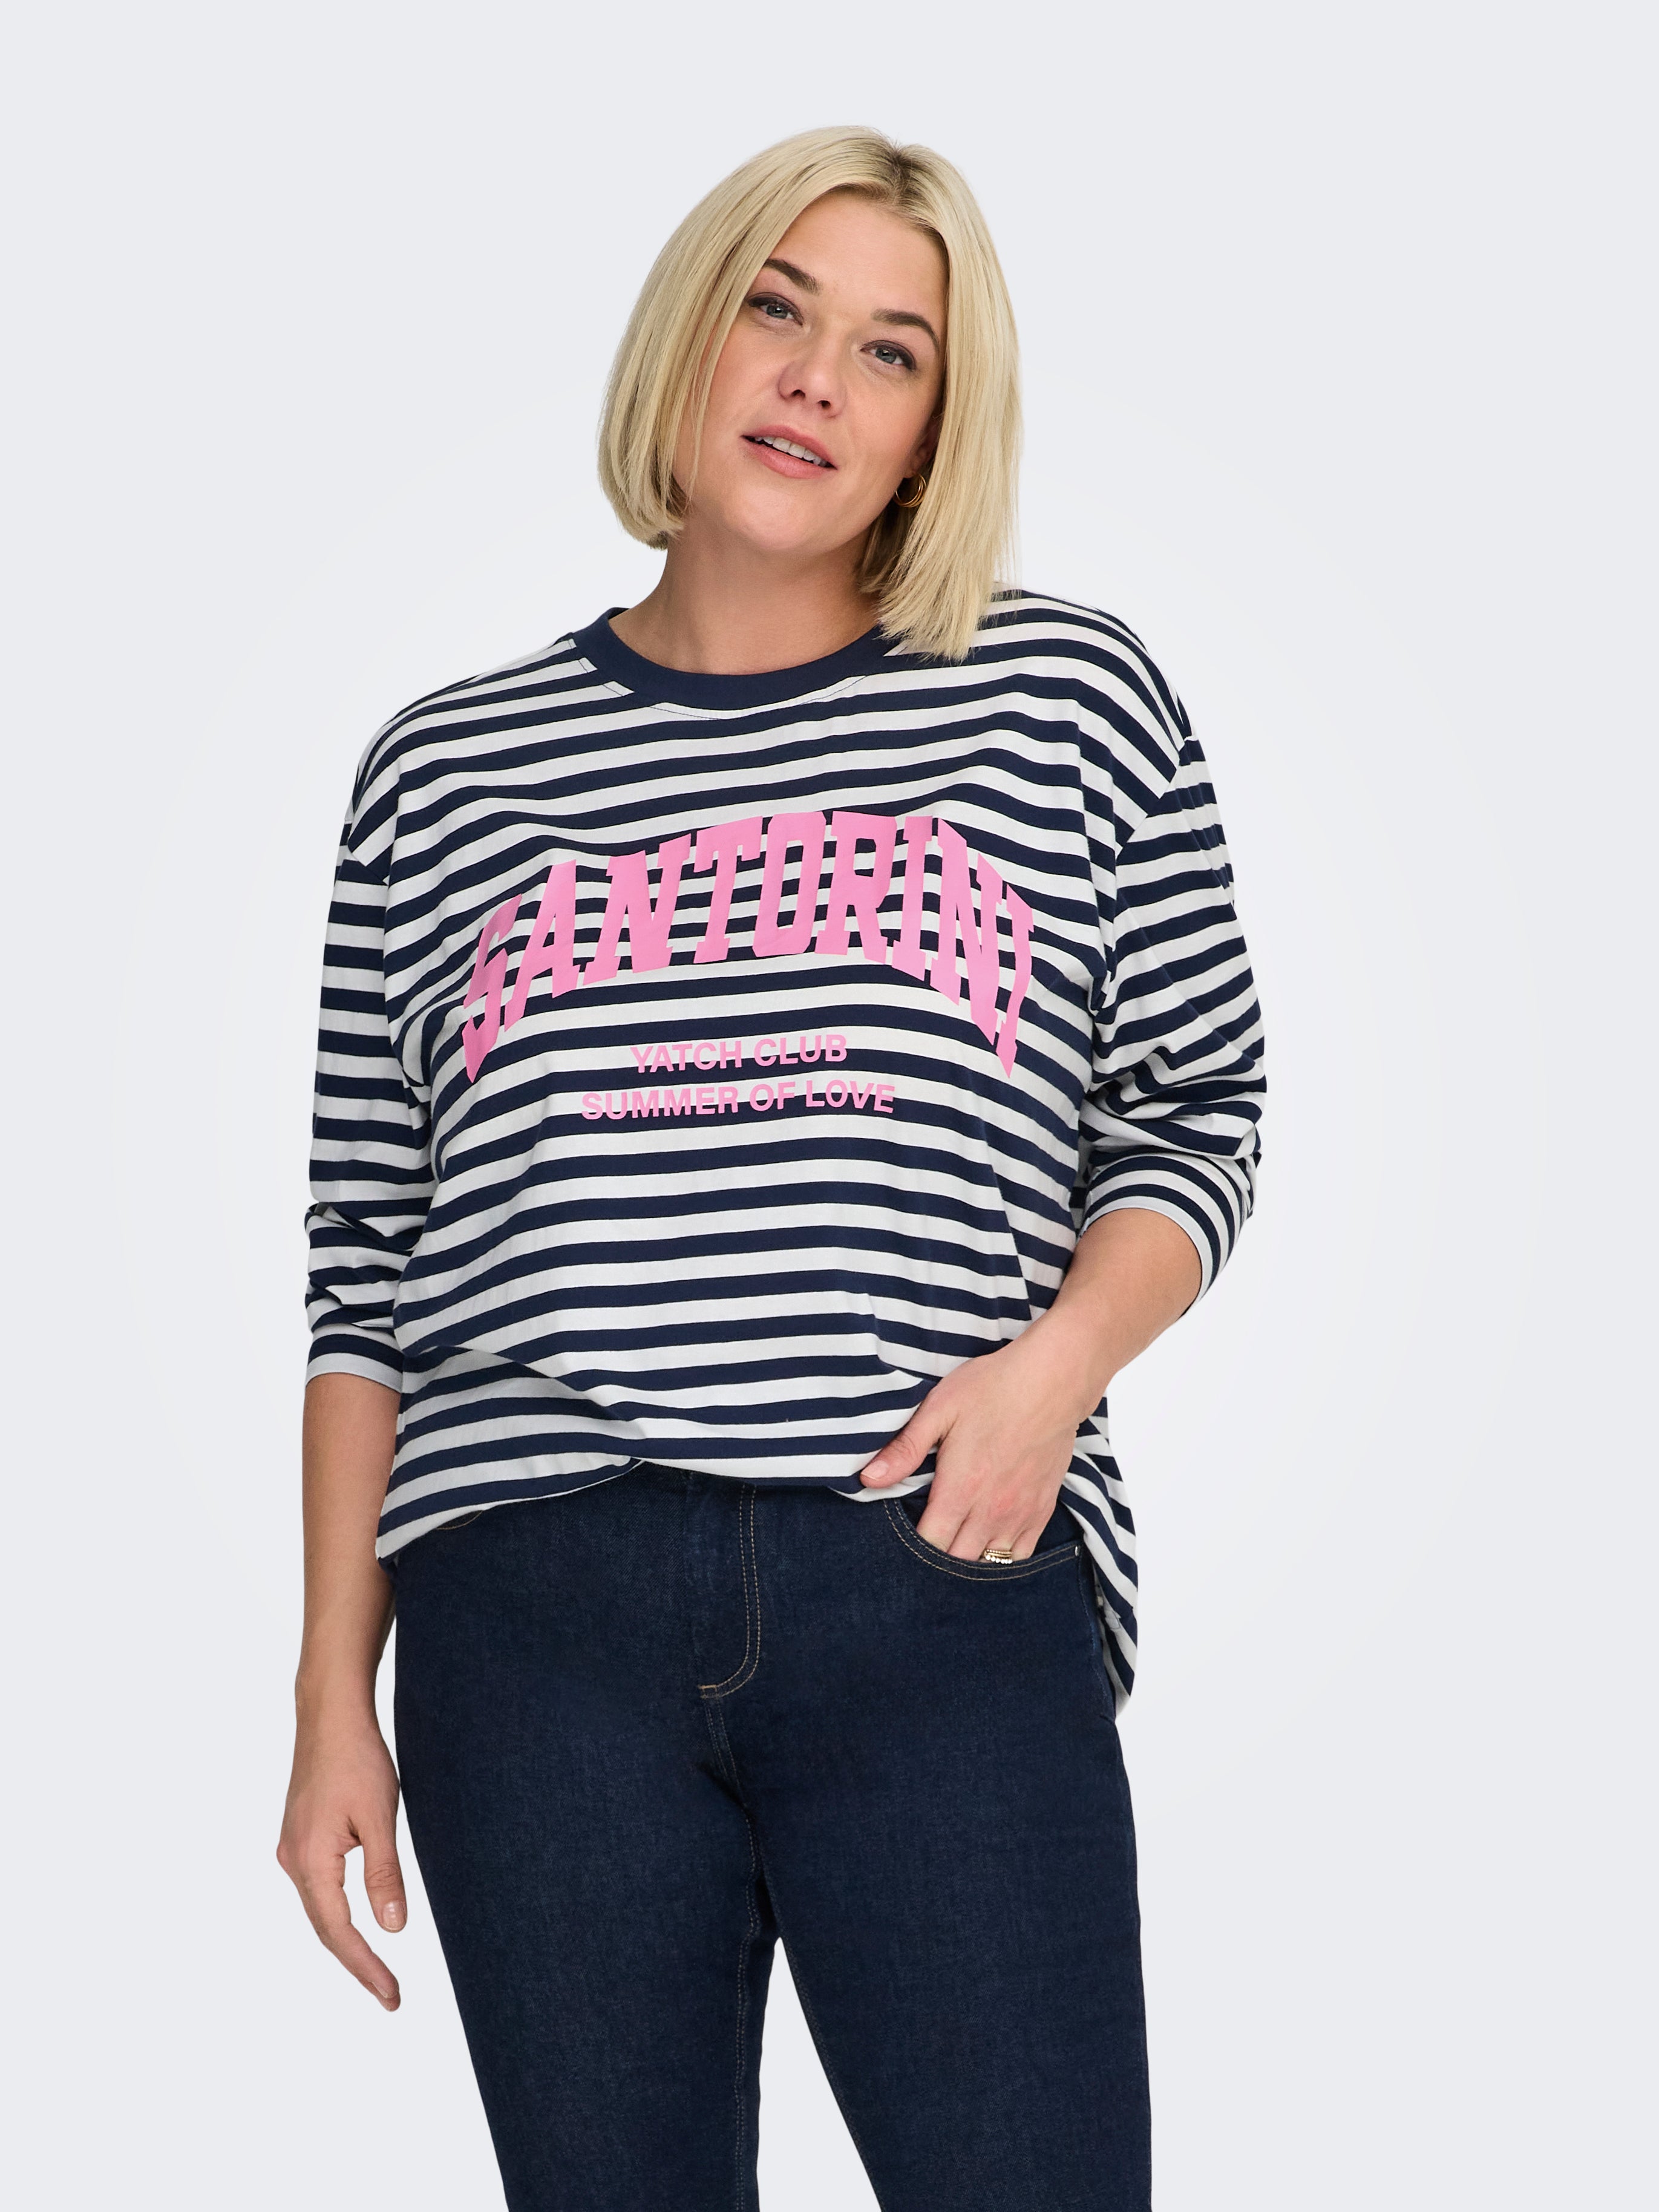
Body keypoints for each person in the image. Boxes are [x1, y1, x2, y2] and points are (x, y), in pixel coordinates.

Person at [278, 125, 1265, 2212]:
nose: (819, 378)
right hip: (532, 1617)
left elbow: (1193, 1117)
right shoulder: (442, 772)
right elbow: (366, 1265)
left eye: (892, 351)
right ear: (691, 335)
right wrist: (328, 1695)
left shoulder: (1063, 702)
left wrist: (1051, 1378)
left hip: (934, 1567)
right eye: (777, 309)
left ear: (934, 428)